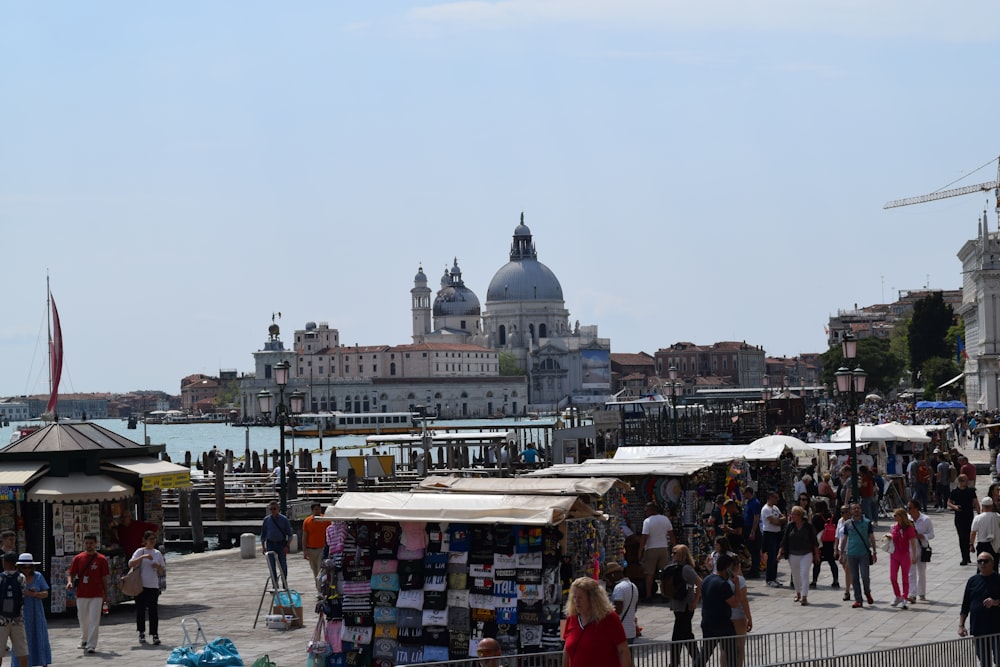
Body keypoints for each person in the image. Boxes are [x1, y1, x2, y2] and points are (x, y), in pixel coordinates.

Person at [562, 576, 630, 667]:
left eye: (580, 598)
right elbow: (566, 650)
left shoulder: (610, 618)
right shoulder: (571, 618)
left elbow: (623, 650)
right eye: (574, 597)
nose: (576, 601)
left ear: (592, 599)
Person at [65, 533, 109, 653]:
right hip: (82, 593)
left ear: (96, 544)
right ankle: (84, 638)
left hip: (97, 594)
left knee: (94, 619)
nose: (89, 545)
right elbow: (71, 573)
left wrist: (106, 594)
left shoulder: (101, 559)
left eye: (91, 543)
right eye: (87, 543)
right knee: (83, 619)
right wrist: (69, 582)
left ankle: (91, 644)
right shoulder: (78, 558)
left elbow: (104, 577)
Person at [699, 551, 741, 667]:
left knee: (705, 653)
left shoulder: (707, 579)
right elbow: (735, 603)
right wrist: (736, 584)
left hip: (707, 622)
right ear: (727, 569)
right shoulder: (723, 585)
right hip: (722, 625)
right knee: (732, 654)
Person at [959, 551, 1000, 667]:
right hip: (978, 628)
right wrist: (961, 626)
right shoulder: (972, 581)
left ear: (992, 563)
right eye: (980, 561)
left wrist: (996, 602)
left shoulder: (998, 580)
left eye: (985, 561)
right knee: (984, 661)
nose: (982, 564)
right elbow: (965, 604)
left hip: (997, 629)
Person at [666, 545, 702, 667]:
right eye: (672, 552)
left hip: (686, 607)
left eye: (675, 553)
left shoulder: (686, 569)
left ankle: (675, 663)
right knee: (686, 635)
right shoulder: (676, 568)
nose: (672, 555)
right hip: (678, 607)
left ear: (682, 555)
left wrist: (695, 600)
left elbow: (699, 583)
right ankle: (698, 661)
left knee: (677, 636)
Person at [128, 530, 165, 645]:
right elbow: (131, 564)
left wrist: (158, 566)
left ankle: (155, 634)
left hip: (153, 585)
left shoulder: (157, 553)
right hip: (140, 584)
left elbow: (162, 570)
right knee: (140, 610)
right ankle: (141, 632)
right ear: (145, 541)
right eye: (150, 539)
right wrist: (143, 557)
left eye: (154, 539)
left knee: (153, 611)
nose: (152, 541)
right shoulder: (140, 551)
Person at [777, 505, 817, 605]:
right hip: (792, 554)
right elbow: (784, 540)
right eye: (792, 514)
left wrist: (816, 554)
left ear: (800, 515)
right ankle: (798, 593)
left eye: (794, 514)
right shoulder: (790, 526)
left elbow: (814, 541)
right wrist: (780, 552)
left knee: (804, 574)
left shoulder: (808, 526)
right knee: (795, 575)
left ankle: (804, 596)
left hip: (806, 553)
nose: (792, 516)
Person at [840, 503, 877, 608]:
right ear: (850, 511)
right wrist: (841, 552)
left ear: (861, 510)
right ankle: (858, 599)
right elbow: (844, 538)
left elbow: (872, 537)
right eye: (854, 509)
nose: (856, 510)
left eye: (858, 508)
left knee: (865, 576)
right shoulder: (848, 524)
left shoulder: (867, 522)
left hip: (863, 553)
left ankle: (867, 592)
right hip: (851, 554)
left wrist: (874, 552)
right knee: (854, 577)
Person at [639, 502, 675, 600]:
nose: (645, 512)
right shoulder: (665, 519)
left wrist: (640, 551)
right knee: (664, 573)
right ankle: (664, 594)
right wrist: (674, 547)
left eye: (647, 510)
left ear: (651, 510)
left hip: (651, 549)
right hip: (663, 548)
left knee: (649, 574)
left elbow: (644, 538)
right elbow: (671, 535)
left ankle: (649, 595)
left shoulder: (647, 521)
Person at [887, 507, 918, 609]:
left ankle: (904, 597)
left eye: (896, 515)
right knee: (892, 577)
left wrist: (914, 555)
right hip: (894, 555)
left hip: (905, 555)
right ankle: (897, 595)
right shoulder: (893, 527)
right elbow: (892, 538)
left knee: (905, 577)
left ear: (901, 516)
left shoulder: (909, 528)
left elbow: (913, 543)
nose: (894, 517)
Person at [0, 553, 27, 667]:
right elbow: (23, 595)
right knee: (22, 650)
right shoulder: (21, 577)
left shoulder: (0, 577)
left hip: (1, 619)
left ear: (6, 563)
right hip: (18, 618)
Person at [604, 562, 638, 645]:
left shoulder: (619, 588)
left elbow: (618, 610)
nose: (608, 580)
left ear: (613, 575)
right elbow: (635, 608)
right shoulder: (633, 586)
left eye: (608, 577)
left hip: (621, 631)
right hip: (631, 631)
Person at [950, 475, 981, 566]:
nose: (966, 482)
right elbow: (949, 502)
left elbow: (976, 502)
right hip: (959, 518)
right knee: (962, 537)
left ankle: (967, 556)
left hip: (969, 516)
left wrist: (979, 514)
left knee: (968, 536)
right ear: (960, 481)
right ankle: (964, 557)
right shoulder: (955, 492)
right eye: (964, 480)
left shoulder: (971, 491)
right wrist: (954, 507)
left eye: (967, 480)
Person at [907, 499, 934, 603]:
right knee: (911, 572)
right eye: (907, 508)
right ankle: (912, 594)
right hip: (910, 548)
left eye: (910, 508)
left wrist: (922, 536)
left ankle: (921, 593)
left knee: (921, 571)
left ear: (916, 508)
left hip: (922, 547)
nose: (908, 510)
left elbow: (932, 534)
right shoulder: (907, 519)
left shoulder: (926, 519)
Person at [261, 501, 293, 586]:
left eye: (274, 509)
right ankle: (274, 584)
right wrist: (263, 547)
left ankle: (284, 583)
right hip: (270, 544)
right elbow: (263, 534)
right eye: (271, 509)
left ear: (278, 509)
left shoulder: (284, 519)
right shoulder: (266, 520)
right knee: (271, 566)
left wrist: (287, 545)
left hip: (281, 544)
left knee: (283, 565)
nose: (273, 511)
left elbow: (289, 534)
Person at [727, 558, 752, 667]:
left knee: (725, 649)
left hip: (726, 617)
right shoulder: (740, 580)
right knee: (740, 648)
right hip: (738, 617)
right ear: (737, 566)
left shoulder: (722, 579)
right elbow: (744, 601)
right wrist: (749, 618)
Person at [810, 500, 839, 589]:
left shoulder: (816, 518)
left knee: (817, 563)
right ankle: (835, 581)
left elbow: (813, 530)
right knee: (832, 562)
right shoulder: (833, 516)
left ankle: (814, 581)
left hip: (820, 543)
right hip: (831, 543)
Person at [760, 491, 786, 588]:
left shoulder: (775, 508)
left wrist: (780, 521)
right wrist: (780, 521)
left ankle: (774, 577)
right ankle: (769, 579)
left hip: (777, 534)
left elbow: (783, 517)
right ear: (770, 497)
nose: (777, 499)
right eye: (775, 497)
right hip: (769, 534)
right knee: (771, 558)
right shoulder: (766, 509)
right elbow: (774, 521)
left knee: (776, 557)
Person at [302, 502, 327, 595]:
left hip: (322, 549)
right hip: (311, 549)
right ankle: (318, 589)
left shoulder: (326, 519)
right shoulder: (307, 521)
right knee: (315, 571)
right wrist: (304, 550)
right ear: (312, 511)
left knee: (321, 570)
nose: (317, 511)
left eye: (319, 509)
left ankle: (321, 590)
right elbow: (305, 536)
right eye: (315, 509)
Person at [971, 497, 1000, 564]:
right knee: (994, 564)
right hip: (994, 544)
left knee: (981, 565)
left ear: (982, 506)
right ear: (992, 506)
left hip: (982, 544)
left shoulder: (978, 518)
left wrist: (971, 545)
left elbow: (973, 532)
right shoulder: (997, 516)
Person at [742, 487, 762, 579]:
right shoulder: (748, 502)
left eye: (744, 493)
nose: (743, 495)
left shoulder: (755, 503)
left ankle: (755, 571)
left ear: (748, 493)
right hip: (747, 527)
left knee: (755, 551)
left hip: (752, 528)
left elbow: (756, 518)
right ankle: (752, 569)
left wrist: (753, 531)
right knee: (751, 550)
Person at [834, 505, 852, 600]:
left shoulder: (852, 522)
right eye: (841, 512)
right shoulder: (840, 521)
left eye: (845, 511)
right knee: (846, 570)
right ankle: (854, 583)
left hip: (851, 549)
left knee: (848, 570)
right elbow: (837, 536)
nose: (842, 514)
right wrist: (836, 549)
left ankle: (847, 591)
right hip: (842, 549)